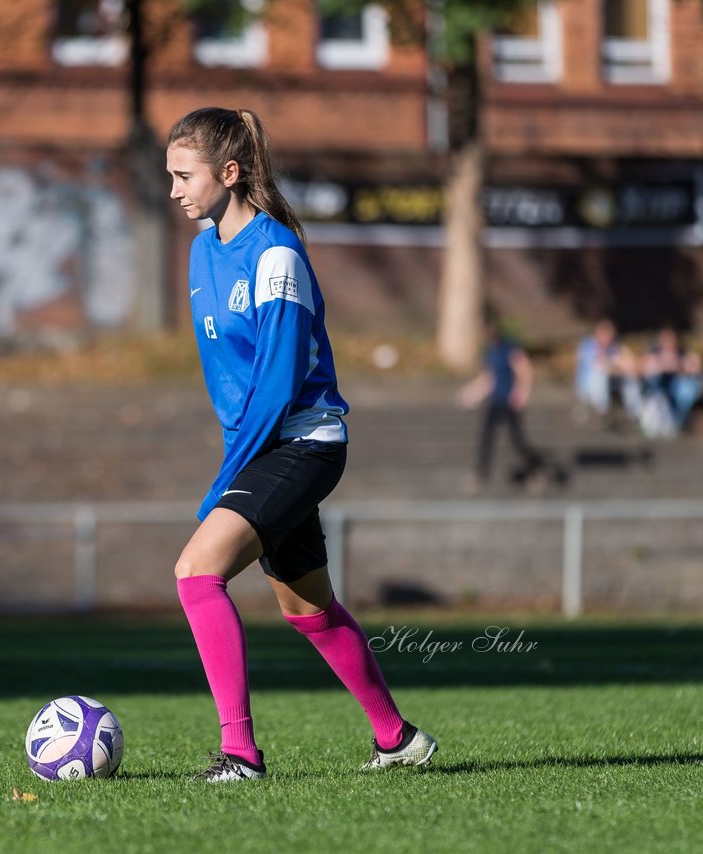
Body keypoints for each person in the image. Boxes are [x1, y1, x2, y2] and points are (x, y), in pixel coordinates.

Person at [165, 106, 436, 782]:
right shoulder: (202, 251)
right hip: (262, 448)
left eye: (183, 175)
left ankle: (240, 756)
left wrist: (224, 480)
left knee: (197, 574)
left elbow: (280, 384)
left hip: (304, 443)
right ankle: (398, 738)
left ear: (228, 174)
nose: (174, 190)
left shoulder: (276, 252)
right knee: (309, 609)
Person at [458, 322, 546, 494]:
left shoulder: (509, 348)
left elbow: (524, 370)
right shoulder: (488, 352)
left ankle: (533, 472)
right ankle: (480, 475)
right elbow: (487, 379)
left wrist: (522, 393)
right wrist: (470, 394)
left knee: (517, 441)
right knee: (485, 439)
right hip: (494, 401)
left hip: (509, 402)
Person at [639, 328, 703, 436]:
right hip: (657, 395)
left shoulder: (683, 355)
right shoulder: (653, 355)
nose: (669, 344)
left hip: (677, 394)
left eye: (671, 340)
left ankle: (680, 418)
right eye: (666, 340)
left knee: (689, 384)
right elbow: (639, 368)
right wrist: (660, 365)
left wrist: (679, 366)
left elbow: (697, 367)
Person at [573, 319, 639, 425]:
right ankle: (603, 410)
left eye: (612, 335)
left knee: (630, 377)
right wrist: (616, 367)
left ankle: (635, 411)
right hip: (588, 387)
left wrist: (621, 359)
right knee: (600, 374)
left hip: (610, 382)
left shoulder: (614, 347)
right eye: (608, 334)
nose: (610, 338)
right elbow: (600, 365)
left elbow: (629, 364)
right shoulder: (587, 346)